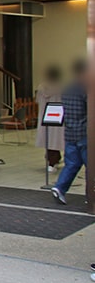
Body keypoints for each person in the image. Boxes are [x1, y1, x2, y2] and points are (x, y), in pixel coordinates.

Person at [51, 59, 87, 206]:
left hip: (70, 132)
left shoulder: (67, 88)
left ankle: (59, 188)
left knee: (72, 163)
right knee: (91, 166)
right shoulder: (86, 89)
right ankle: (91, 196)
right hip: (85, 132)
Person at [36, 65, 64, 172]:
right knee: (55, 139)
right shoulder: (61, 87)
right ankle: (54, 160)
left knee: (48, 139)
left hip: (45, 116)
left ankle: (51, 159)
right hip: (57, 116)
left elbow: (38, 100)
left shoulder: (41, 87)